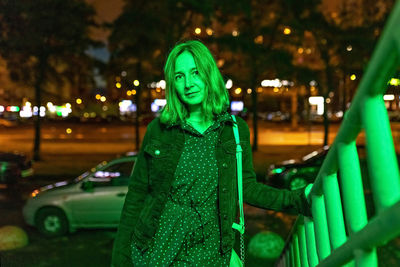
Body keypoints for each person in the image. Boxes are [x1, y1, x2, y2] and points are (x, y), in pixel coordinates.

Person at [111, 39, 311, 267]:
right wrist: (120, 260)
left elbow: (246, 187)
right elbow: (137, 195)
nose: (188, 83)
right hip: (159, 248)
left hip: (211, 251)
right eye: (179, 76)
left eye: (195, 72)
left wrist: (297, 199)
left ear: (209, 74)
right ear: (172, 84)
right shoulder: (158, 130)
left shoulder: (233, 131)